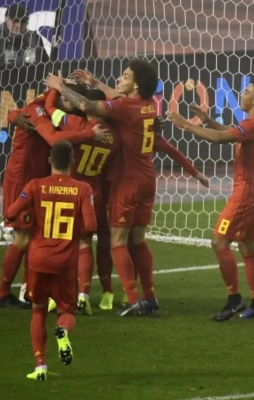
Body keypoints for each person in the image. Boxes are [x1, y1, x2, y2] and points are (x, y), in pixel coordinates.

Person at [44, 60, 161, 317]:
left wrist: (59, 87)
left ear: (136, 85)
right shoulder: (150, 106)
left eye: (126, 76)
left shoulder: (114, 112)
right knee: (136, 241)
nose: (121, 79)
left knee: (113, 242)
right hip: (147, 179)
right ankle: (149, 296)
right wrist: (95, 82)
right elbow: (118, 97)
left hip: (124, 182)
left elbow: (85, 105)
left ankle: (132, 299)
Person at [167, 82, 254, 321]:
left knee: (219, 242)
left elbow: (220, 138)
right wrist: (207, 120)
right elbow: (232, 133)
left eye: (247, 92)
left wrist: (186, 125)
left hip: (246, 195)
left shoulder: (253, 124)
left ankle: (234, 299)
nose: (242, 94)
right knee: (247, 247)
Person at [0, 85, 96, 309]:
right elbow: (52, 138)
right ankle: (2, 294)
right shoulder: (37, 110)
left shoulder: (53, 111)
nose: (72, 107)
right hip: (22, 180)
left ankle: (28, 291)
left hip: (38, 180)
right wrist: (89, 134)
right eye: (69, 100)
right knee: (23, 239)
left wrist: (13, 115)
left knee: (35, 237)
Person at [5, 140, 97, 381]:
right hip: (65, 263)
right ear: (72, 162)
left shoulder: (35, 185)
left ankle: (40, 367)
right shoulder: (83, 189)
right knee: (67, 310)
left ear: (49, 161)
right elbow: (91, 225)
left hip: (38, 260)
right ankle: (63, 330)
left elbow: (11, 213)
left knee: (38, 310)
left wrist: (32, 215)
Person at [0, 3, 48, 68]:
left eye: (23, 21)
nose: (18, 25)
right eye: (15, 20)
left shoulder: (35, 38)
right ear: (6, 19)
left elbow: (46, 66)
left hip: (30, 77)